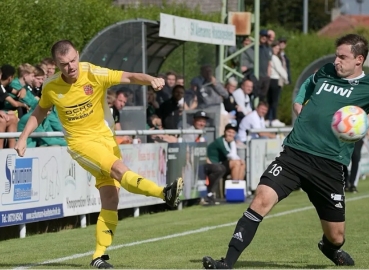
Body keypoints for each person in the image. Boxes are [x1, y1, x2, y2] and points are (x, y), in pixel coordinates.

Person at [14, 39, 184, 269]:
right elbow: (40, 110)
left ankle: (98, 256)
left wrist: (151, 79)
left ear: (78, 56)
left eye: (74, 60)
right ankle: (164, 194)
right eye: (64, 64)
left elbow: (130, 76)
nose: (71, 66)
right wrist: (23, 136)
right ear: (56, 64)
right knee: (119, 170)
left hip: (106, 140)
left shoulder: (93, 73)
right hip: (81, 144)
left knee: (111, 197)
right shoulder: (51, 86)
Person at [202, 33, 367, 269]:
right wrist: (299, 100)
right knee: (261, 199)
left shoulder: (366, 88)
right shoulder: (327, 71)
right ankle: (226, 262)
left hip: (329, 166)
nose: (337, 61)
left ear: (359, 60)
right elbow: (309, 83)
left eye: (343, 57)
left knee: (336, 235)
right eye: (336, 55)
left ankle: (330, 248)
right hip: (295, 154)